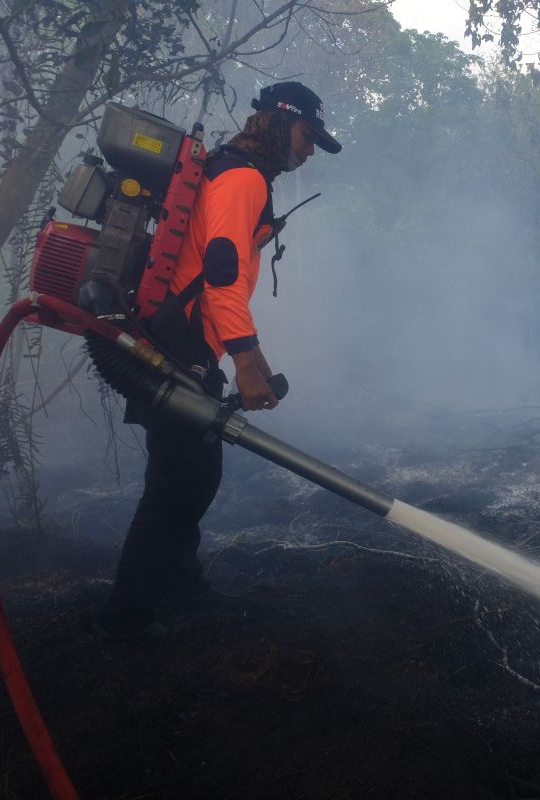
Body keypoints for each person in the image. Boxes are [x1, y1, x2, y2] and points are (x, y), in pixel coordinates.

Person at [97, 82, 342, 638]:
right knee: (180, 483)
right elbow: (221, 275)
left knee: (187, 473)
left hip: (182, 339)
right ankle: (125, 620)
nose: (309, 151)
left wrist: (243, 353)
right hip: (181, 341)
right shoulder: (241, 178)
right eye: (308, 136)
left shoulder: (235, 173)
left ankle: (181, 587)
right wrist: (247, 362)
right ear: (280, 122)